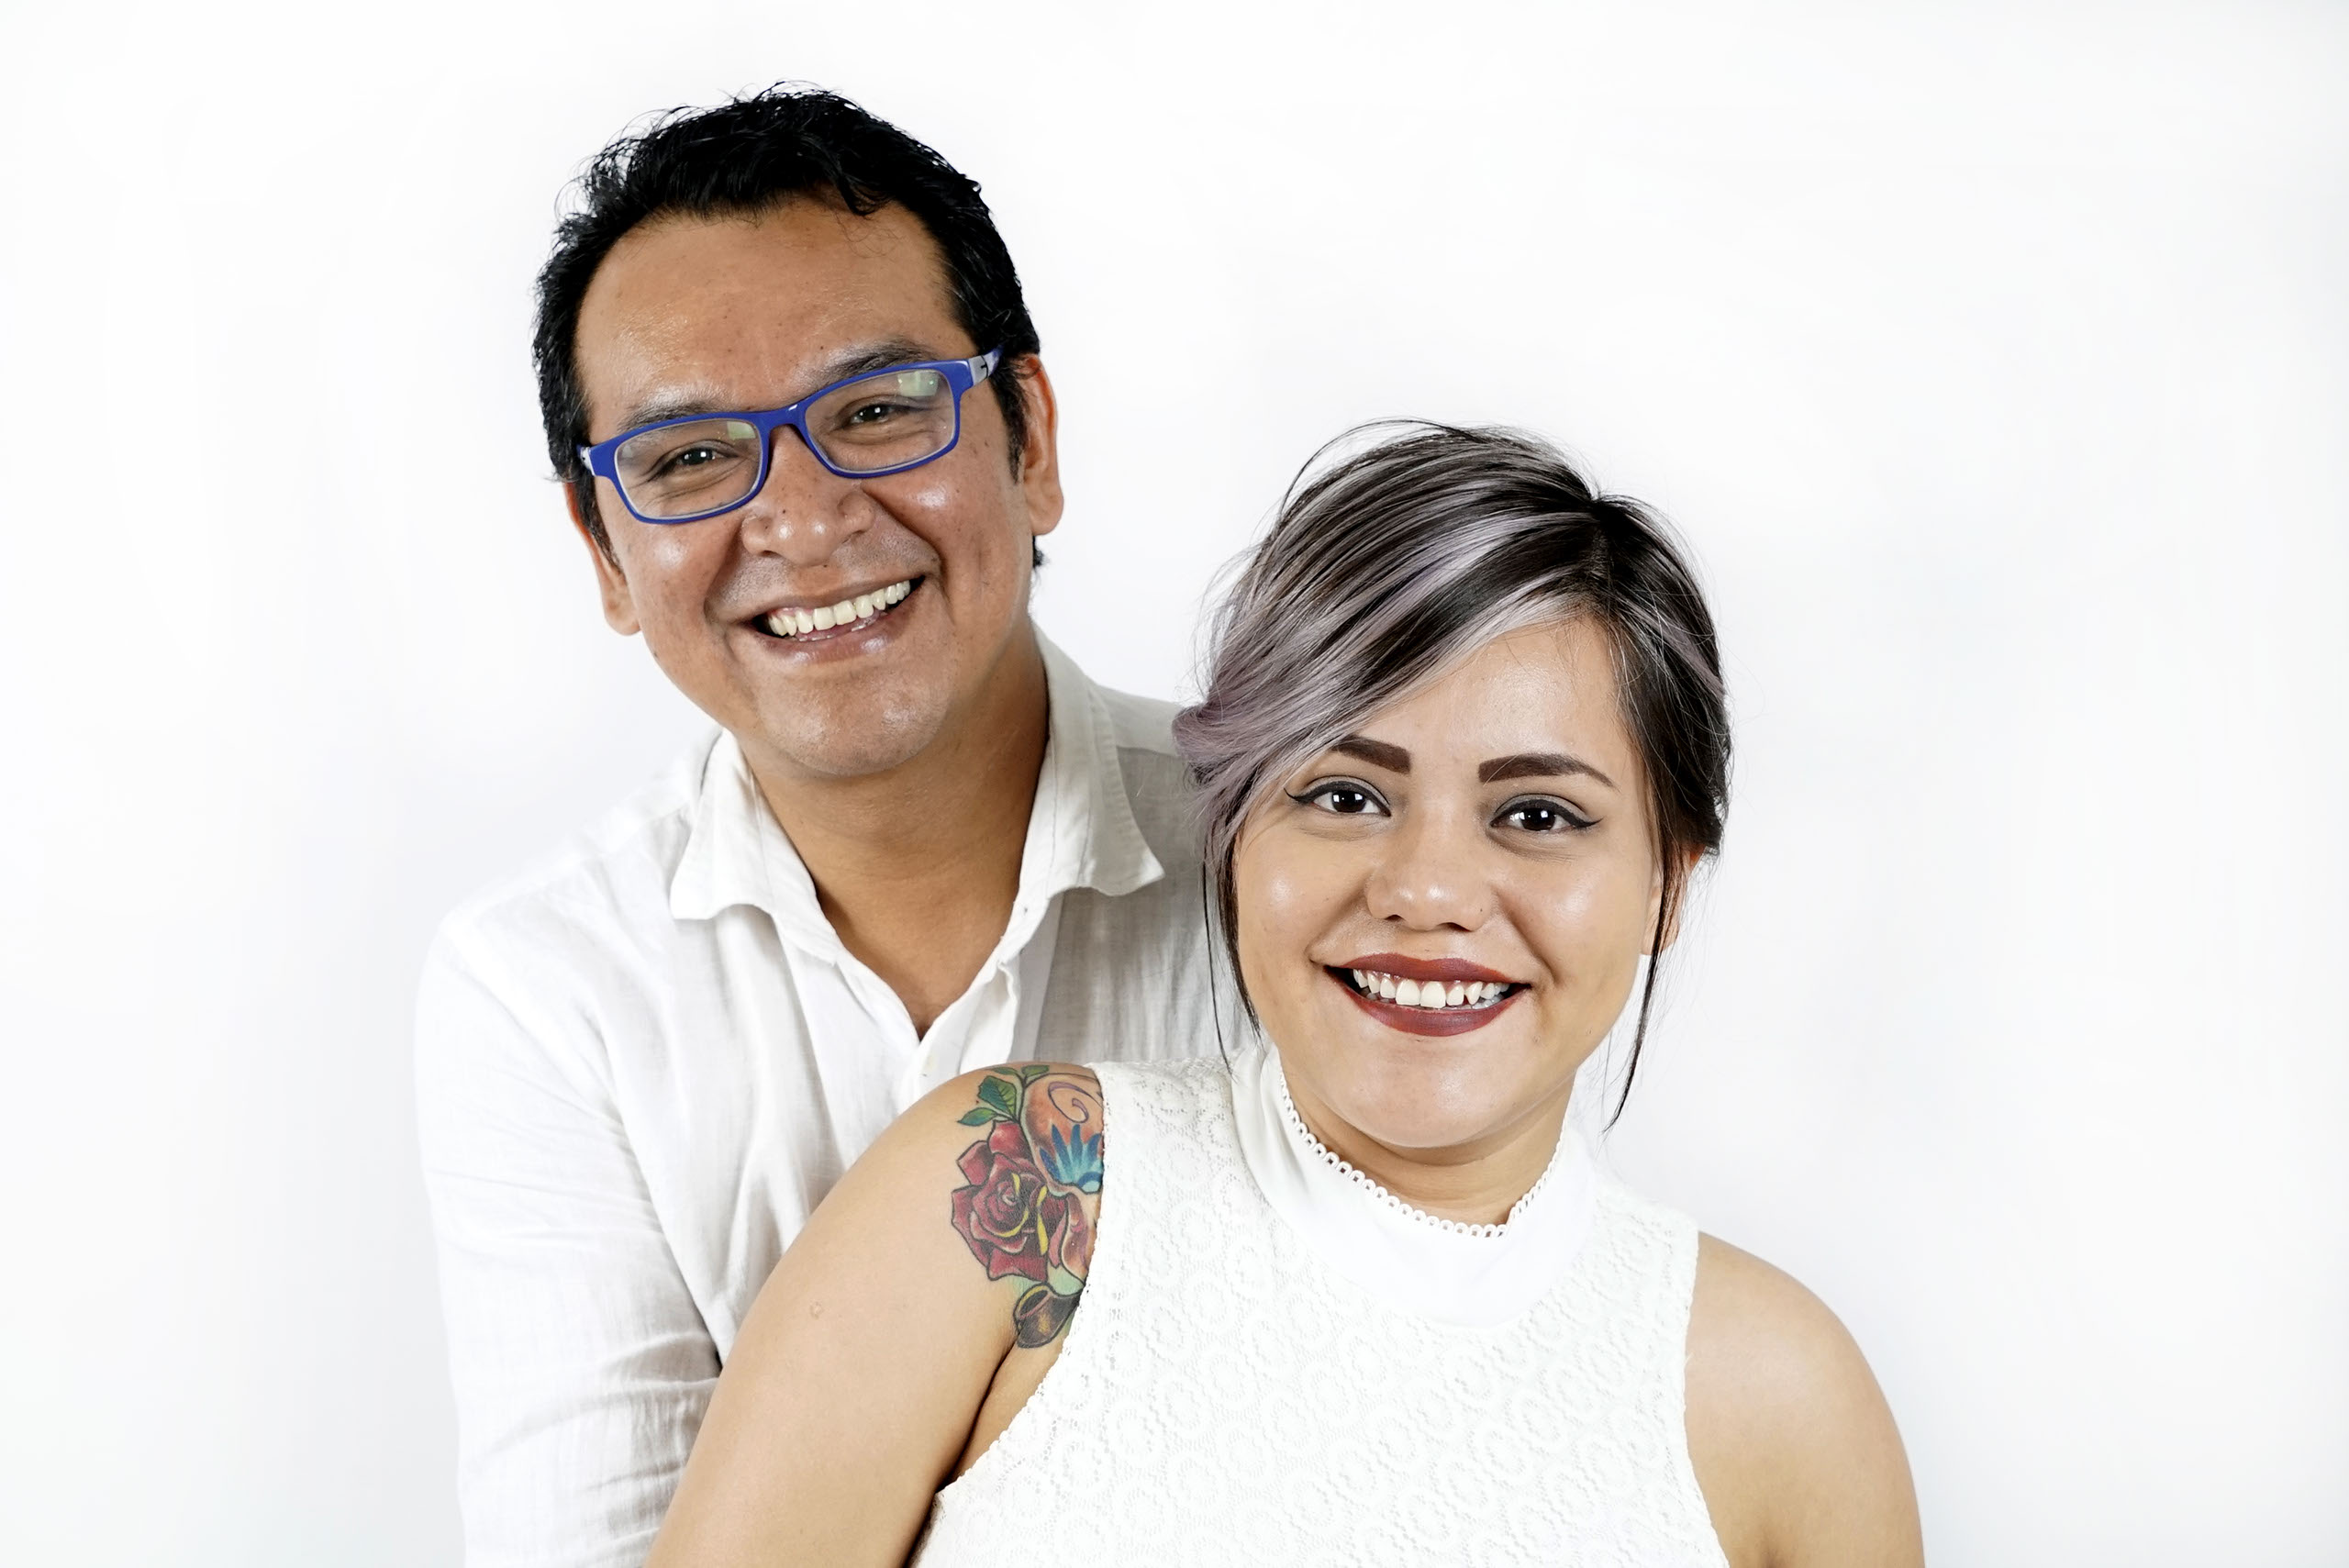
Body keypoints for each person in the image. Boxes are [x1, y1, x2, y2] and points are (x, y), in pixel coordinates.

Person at [644, 424, 1927, 1567]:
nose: (1427, 891)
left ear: (1666, 885)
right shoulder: (1009, 1189)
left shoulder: (1784, 1401)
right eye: (1346, 794)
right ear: (1233, 830)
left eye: (1538, 815)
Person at [413, 87, 1224, 1565]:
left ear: (1030, 439)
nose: (800, 518)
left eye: (877, 409)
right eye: (689, 457)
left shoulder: (1295, 860)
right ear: (604, 551)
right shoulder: (549, 993)